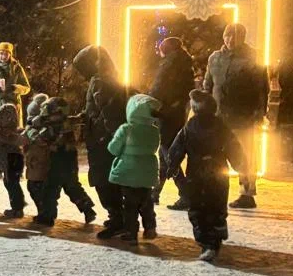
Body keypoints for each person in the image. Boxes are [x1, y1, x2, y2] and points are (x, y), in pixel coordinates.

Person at [162, 90, 247, 262]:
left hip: (202, 173)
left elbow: (178, 147)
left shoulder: (194, 127)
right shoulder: (212, 127)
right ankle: (212, 238)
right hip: (211, 173)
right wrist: (241, 167)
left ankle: (209, 242)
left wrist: (172, 164)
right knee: (208, 207)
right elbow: (234, 148)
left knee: (203, 208)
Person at [203, 23, 269, 210]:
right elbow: (208, 85)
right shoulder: (215, 58)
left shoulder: (253, 58)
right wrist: (204, 108)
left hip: (243, 115)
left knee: (245, 155)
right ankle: (215, 190)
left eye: (235, 36)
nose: (230, 40)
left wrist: (259, 112)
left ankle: (246, 192)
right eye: (227, 36)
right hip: (218, 115)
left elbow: (261, 88)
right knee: (215, 156)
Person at [72, 45, 128, 233]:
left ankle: (117, 217)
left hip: (102, 140)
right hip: (104, 138)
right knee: (109, 178)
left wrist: (111, 137)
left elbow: (108, 112)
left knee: (103, 180)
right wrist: (85, 116)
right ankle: (118, 217)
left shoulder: (100, 81)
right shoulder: (107, 78)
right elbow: (100, 109)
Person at [28, 95, 97, 227]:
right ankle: (88, 209)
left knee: (51, 188)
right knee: (72, 186)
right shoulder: (65, 121)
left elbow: (41, 134)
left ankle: (48, 216)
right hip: (69, 157)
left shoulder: (56, 124)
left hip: (59, 157)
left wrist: (37, 130)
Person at [103, 93, 161, 243]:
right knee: (146, 201)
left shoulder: (126, 129)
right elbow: (154, 147)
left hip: (129, 171)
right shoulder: (154, 130)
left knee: (130, 205)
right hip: (147, 171)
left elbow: (113, 148)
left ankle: (131, 233)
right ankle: (150, 227)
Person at [149, 36, 196, 210]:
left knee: (168, 153)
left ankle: (185, 193)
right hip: (176, 113)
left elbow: (159, 88)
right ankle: (155, 192)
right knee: (166, 152)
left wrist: (149, 100)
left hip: (166, 113)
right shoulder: (185, 64)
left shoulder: (169, 64)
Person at [0, 42, 32, 186]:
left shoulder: (16, 68)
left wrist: (16, 88)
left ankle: (17, 171)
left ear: (10, 54)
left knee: (14, 142)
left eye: (6, 53)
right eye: (1, 53)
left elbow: (27, 88)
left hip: (12, 109)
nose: (3, 56)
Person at [0, 104, 27, 218]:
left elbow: (12, 140)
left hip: (12, 159)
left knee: (12, 183)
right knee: (10, 183)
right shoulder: (4, 131)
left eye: (1, 117)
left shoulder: (10, 132)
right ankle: (18, 205)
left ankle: (17, 207)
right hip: (11, 159)